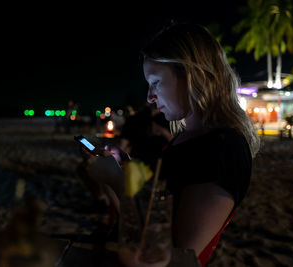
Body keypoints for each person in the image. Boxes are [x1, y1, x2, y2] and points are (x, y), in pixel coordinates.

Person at [77, 22, 260, 267]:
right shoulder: (189, 138)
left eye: (156, 82)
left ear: (191, 76)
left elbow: (178, 257)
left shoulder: (224, 149)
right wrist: (120, 170)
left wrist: (118, 183)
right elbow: (141, 220)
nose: (149, 97)